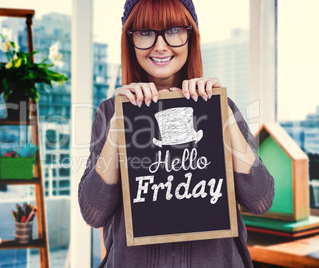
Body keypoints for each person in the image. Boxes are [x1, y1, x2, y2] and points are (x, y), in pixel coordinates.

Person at [79, 0, 274, 267]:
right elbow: (93, 212)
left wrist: (221, 113)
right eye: (145, 32)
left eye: (173, 30)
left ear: (190, 36)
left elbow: (260, 199)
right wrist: (118, 126)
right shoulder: (111, 112)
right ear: (130, 40)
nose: (160, 46)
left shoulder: (222, 107)